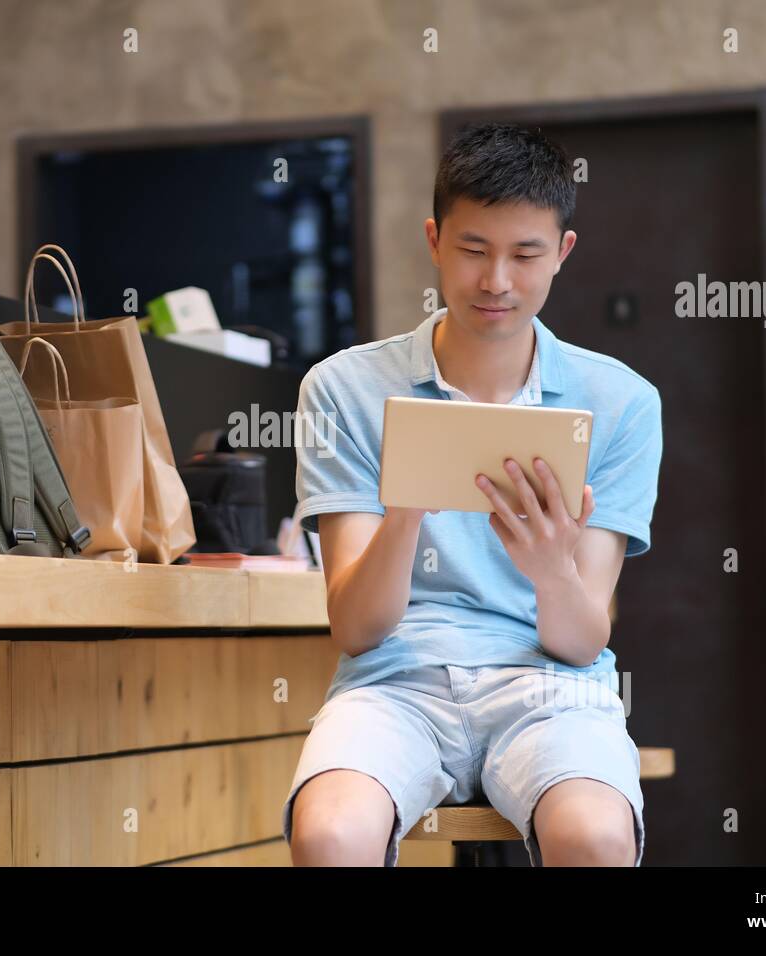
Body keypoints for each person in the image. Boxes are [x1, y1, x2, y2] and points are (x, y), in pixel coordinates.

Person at [282, 122, 663, 867]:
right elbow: (357, 631)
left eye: (525, 254)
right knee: (329, 835)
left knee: (596, 836)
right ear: (433, 240)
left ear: (563, 252)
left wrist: (552, 565)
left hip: (553, 687)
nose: (496, 282)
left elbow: (584, 641)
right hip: (395, 684)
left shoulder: (621, 403)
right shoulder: (344, 390)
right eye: (473, 250)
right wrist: (406, 511)